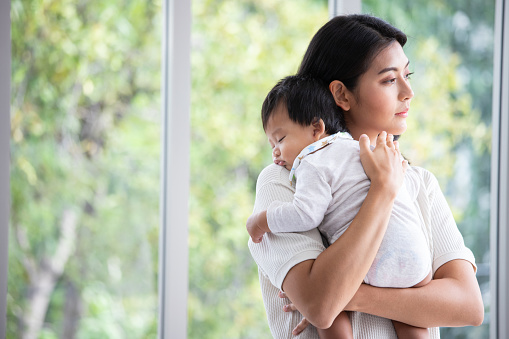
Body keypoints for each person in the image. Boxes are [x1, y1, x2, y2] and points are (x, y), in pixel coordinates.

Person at [247, 14, 484, 339]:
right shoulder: (284, 182)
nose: (408, 92)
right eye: (389, 80)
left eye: (407, 75)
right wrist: (382, 190)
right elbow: (320, 306)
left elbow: (468, 305)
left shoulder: (420, 182)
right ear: (342, 95)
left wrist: (353, 297)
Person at [246, 74, 431, 339]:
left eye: (281, 139)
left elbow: (306, 214)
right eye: (272, 145)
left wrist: (262, 220)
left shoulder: (312, 161)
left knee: (329, 309)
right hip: (415, 257)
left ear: (316, 129)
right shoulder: (363, 150)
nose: (275, 152)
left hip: (370, 259)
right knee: (412, 319)